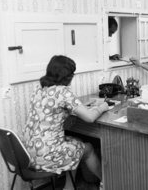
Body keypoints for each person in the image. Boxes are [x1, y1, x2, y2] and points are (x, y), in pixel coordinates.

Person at [21, 55, 108, 190]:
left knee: (76, 143)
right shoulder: (63, 92)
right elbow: (90, 118)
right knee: (88, 148)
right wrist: (102, 107)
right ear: (68, 76)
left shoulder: (39, 89)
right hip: (46, 155)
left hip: (27, 152)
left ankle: (68, 187)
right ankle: (108, 182)